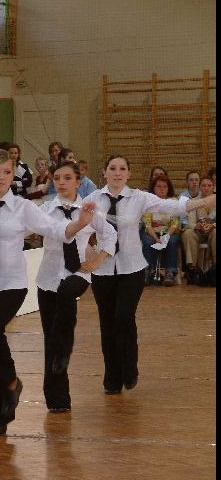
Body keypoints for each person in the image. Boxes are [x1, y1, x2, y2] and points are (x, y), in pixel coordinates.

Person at [0, 149, 99, 439]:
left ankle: (11, 380)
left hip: (12, 283)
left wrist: (80, 223)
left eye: (7, 172)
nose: (1, 177)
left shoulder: (23, 208)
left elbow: (56, 229)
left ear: (13, 175)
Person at [83, 155, 216, 396]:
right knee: (107, 323)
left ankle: (130, 367)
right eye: (112, 168)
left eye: (122, 168)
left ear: (129, 173)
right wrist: (87, 250)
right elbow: (80, 228)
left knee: (124, 316)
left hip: (132, 268)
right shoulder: (92, 199)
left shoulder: (139, 197)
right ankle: (112, 378)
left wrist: (204, 201)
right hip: (103, 270)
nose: (117, 173)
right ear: (104, 172)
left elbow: (172, 207)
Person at [36, 161, 117, 412]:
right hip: (48, 277)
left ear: (78, 182)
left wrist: (98, 260)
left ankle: (65, 348)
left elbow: (110, 234)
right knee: (50, 339)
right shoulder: (45, 210)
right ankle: (57, 401)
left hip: (79, 273)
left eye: (67, 178)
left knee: (66, 294)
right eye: (57, 178)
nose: (61, 182)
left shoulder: (89, 209)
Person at [141, 175, 180, 287]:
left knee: (172, 241)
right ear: (153, 188)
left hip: (169, 232)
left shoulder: (173, 202)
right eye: (159, 186)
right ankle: (147, 271)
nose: (162, 189)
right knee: (147, 241)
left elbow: (175, 223)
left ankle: (170, 272)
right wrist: (156, 238)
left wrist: (166, 236)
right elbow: (147, 224)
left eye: (164, 186)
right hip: (152, 232)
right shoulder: (148, 202)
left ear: (168, 188)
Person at [181, 176, 216, 283]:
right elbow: (190, 222)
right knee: (188, 233)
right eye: (204, 185)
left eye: (209, 185)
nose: (206, 188)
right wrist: (196, 226)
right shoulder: (194, 201)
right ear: (200, 187)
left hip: (213, 231)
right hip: (199, 232)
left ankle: (215, 269)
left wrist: (213, 225)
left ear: (213, 187)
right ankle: (192, 269)